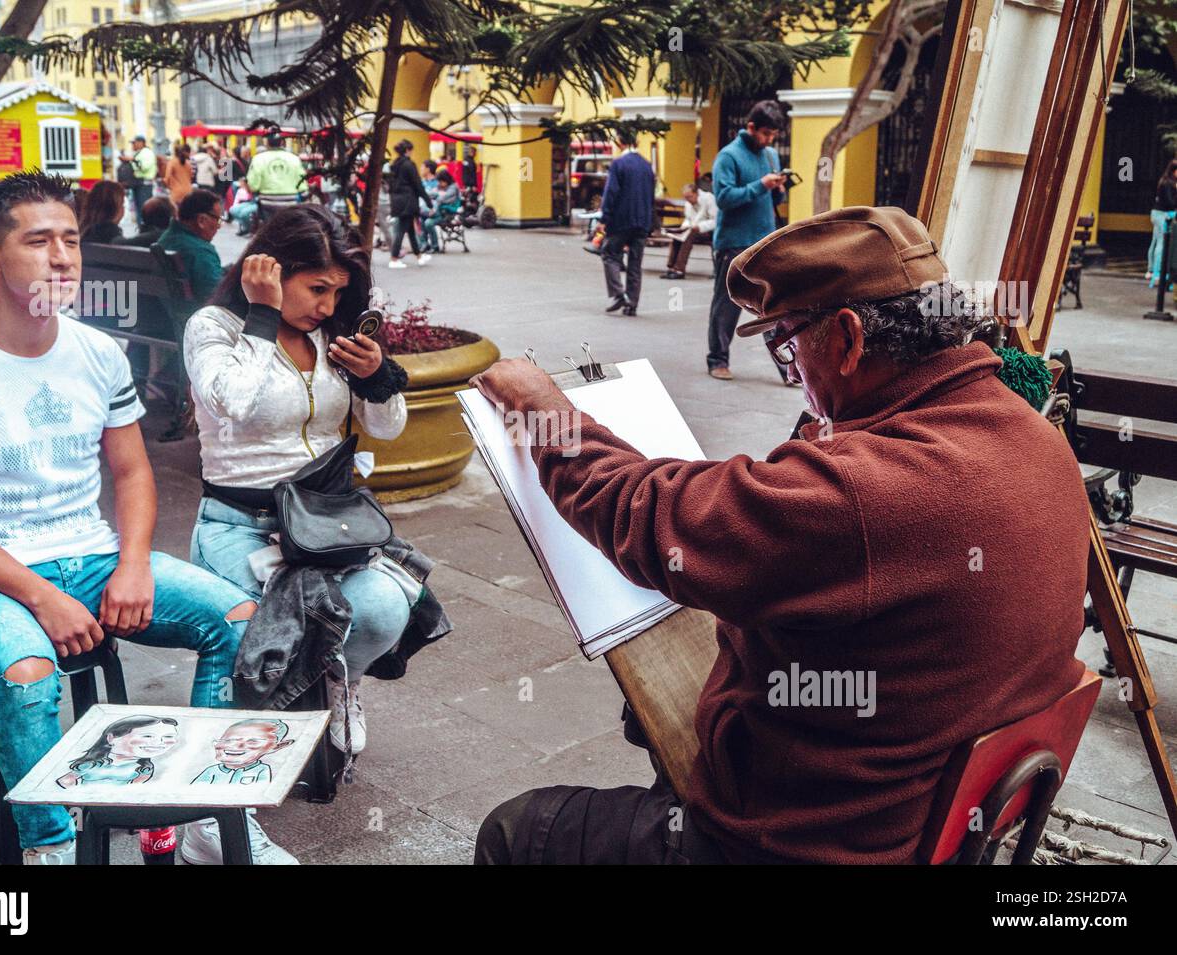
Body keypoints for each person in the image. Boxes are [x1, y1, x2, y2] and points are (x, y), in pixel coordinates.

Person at [468, 206, 1093, 865]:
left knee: (515, 832)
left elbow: (642, 511)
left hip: (809, 844)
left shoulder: (863, 489)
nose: (797, 376)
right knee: (655, 717)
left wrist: (542, 409)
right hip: (940, 818)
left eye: (791, 350)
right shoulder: (1035, 438)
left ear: (848, 338)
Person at [0, 170, 284, 865]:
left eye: (69, 239)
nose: (62, 257)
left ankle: (210, 812)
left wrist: (133, 562)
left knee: (239, 619)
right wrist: (42, 597)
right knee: (27, 670)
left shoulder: (97, 353)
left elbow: (132, 472)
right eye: (38, 241)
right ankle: (51, 846)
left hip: (94, 556)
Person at [181, 203, 427, 762]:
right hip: (240, 527)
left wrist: (375, 376)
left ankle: (344, 682)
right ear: (269, 270)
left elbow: (387, 428)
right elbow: (232, 403)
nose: (328, 306)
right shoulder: (213, 327)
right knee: (263, 641)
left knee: (387, 607)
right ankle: (245, 750)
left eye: (338, 293)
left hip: (323, 525)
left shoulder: (329, 338)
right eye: (317, 288)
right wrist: (262, 317)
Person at [706, 100, 787, 381]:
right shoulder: (728, 156)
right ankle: (718, 360)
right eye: (765, 133)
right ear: (750, 127)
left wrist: (777, 189)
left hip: (765, 242)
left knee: (773, 308)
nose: (769, 139)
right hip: (733, 242)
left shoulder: (771, 156)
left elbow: (775, 200)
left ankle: (787, 369)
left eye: (773, 134)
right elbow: (724, 198)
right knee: (726, 305)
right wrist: (759, 185)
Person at [598, 129, 655, 316]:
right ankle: (633, 302)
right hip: (642, 222)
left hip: (621, 221)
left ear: (620, 142)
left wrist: (604, 219)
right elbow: (650, 196)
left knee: (609, 253)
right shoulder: (647, 166)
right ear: (636, 143)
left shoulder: (618, 164)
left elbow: (611, 193)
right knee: (635, 263)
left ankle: (618, 293)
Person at [155, 189, 225, 301]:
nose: (219, 226)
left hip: (167, 309)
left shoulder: (167, 238)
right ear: (201, 220)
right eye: (218, 220)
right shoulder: (200, 251)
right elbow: (216, 294)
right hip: (194, 313)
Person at [386, 139, 431, 269]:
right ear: (407, 150)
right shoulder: (409, 165)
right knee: (401, 230)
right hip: (408, 200)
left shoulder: (394, 165)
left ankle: (419, 256)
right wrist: (428, 202)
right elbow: (418, 184)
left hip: (397, 200)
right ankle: (394, 258)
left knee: (410, 230)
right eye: (411, 150)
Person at [660, 181, 717, 279]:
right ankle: (672, 267)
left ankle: (679, 270)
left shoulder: (709, 198)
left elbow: (715, 220)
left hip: (708, 231)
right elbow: (688, 218)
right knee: (677, 237)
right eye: (686, 198)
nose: (688, 200)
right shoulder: (688, 203)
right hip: (693, 229)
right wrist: (684, 227)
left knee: (689, 235)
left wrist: (700, 227)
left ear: (696, 193)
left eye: (689, 197)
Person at [245, 131, 306, 201]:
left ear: (267, 143)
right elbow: (302, 186)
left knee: (235, 210)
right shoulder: (294, 158)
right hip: (291, 201)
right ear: (281, 143)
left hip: (265, 202)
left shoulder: (258, 158)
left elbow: (253, 186)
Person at [1147, 158, 1177, 288]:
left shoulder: (1164, 181)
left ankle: (1152, 270)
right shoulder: (1168, 183)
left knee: (1156, 241)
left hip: (1157, 213)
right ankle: (1157, 273)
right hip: (1162, 215)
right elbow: (1170, 203)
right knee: (1162, 243)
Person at [420, 167, 460, 253]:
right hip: (439, 212)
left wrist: (436, 196)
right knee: (421, 220)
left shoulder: (453, 187)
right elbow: (431, 194)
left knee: (428, 222)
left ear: (446, 180)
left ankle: (435, 246)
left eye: (441, 181)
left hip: (447, 214)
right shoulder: (441, 187)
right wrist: (436, 194)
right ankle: (424, 244)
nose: (439, 183)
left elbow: (441, 199)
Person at [78, 179, 127, 245]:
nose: (124, 209)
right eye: (122, 204)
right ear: (115, 207)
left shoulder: (83, 230)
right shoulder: (111, 234)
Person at [129, 135, 157, 227]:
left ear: (141, 143)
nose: (133, 145)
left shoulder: (146, 153)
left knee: (144, 207)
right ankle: (141, 227)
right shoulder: (139, 153)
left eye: (134, 143)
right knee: (139, 207)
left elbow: (144, 167)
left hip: (144, 184)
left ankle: (146, 227)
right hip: (138, 183)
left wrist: (132, 161)